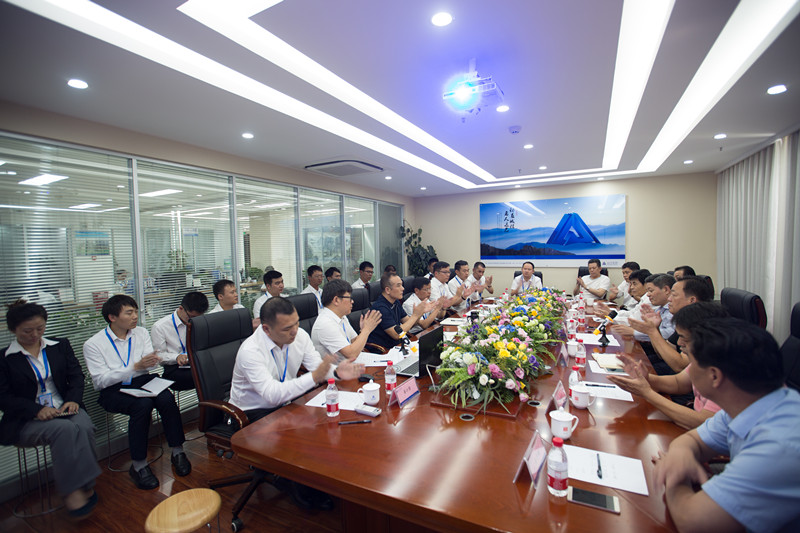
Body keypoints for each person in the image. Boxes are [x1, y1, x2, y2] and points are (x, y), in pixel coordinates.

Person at [653, 318, 800, 533]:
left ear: (714, 376)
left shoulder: (780, 447)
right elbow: (693, 439)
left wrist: (675, 476)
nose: (688, 370)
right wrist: (680, 454)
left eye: (692, 362)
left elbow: (692, 522)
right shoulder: (749, 402)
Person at [229, 296, 365, 510]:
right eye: (287, 328)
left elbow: (317, 367)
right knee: (302, 434)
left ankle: (318, 481)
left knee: (327, 424)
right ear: (266, 329)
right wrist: (315, 377)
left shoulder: (300, 336)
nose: (294, 331)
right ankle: (299, 487)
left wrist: (337, 372)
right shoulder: (250, 351)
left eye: (296, 323)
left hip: (284, 403)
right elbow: (272, 395)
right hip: (251, 413)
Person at [0, 300, 101, 517]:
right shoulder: (4, 359)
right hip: (26, 420)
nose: (35, 335)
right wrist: (35, 409)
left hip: (64, 408)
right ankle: (72, 491)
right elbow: (3, 398)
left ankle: (86, 483)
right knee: (64, 430)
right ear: (13, 330)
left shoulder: (59, 346)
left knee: (84, 426)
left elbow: (76, 376)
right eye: (27, 331)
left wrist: (73, 400)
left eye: (40, 328)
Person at [83, 295, 191, 490]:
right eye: (129, 313)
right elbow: (100, 381)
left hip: (142, 380)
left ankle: (178, 451)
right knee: (142, 405)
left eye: (135, 311)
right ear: (112, 317)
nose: (135, 316)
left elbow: (149, 362)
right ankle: (139, 465)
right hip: (114, 389)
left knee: (166, 398)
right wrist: (134, 367)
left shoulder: (140, 332)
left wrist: (149, 362)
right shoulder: (93, 344)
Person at [608, 302, 728, 429]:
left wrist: (647, 393)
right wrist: (645, 377)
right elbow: (678, 383)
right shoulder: (701, 359)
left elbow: (704, 423)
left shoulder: (728, 373)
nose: (679, 343)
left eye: (684, 338)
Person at [627, 276, 714, 372]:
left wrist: (652, 331)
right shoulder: (685, 320)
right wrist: (655, 329)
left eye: (674, 295)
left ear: (692, 300)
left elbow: (680, 366)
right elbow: (662, 353)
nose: (669, 299)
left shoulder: (703, 324)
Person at [150, 291, 209, 391]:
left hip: (196, 363)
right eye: (192, 317)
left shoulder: (200, 321)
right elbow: (159, 356)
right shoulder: (160, 326)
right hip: (175, 368)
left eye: (199, 317)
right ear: (181, 308)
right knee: (207, 375)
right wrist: (176, 357)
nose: (194, 321)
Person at [311, 280, 382, 361]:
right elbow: (351, 354)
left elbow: (355, 341)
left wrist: (363, 330)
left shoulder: (341, 317)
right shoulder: (325, 324)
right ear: (336, 300)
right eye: (349, 298)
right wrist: (367, 329)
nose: (352, 301)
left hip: (350, 364)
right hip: (336, 368)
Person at [367, 273, 434, 351]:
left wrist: (420, 313)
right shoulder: (380, 308)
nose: (403, 288)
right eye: (398, 285)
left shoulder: (395, 302)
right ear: (388, 290)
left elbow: (410, 323)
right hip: (383, 350)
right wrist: (415, 315)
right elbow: (396, 334)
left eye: (402, 285)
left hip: (397, 346)